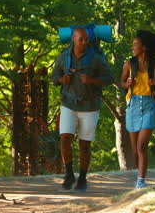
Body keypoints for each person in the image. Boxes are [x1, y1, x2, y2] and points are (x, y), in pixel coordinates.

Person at [52, 27, 113, 192]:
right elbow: (54, 77)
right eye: (81, 39)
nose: (84, 42)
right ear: (73, 38)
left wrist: (92, 80)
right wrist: (61, 79)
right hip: (68, 104)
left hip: (90, 105)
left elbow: (109, 78)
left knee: (84, 144)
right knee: (65, 139)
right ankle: (69, 174)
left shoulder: (96, 59)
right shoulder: (64, 57)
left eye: (86, 39)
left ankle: (83, 178)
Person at [120, 30, 155, 189]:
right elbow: (122, 83)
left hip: (149, 105)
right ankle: (139, 174)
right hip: (132, 105)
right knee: (134, 150)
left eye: (135, 45)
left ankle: (141, 180)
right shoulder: (129, 63)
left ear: (144, 47)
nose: (133, 47)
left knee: (141, 146)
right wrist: (128, 83)